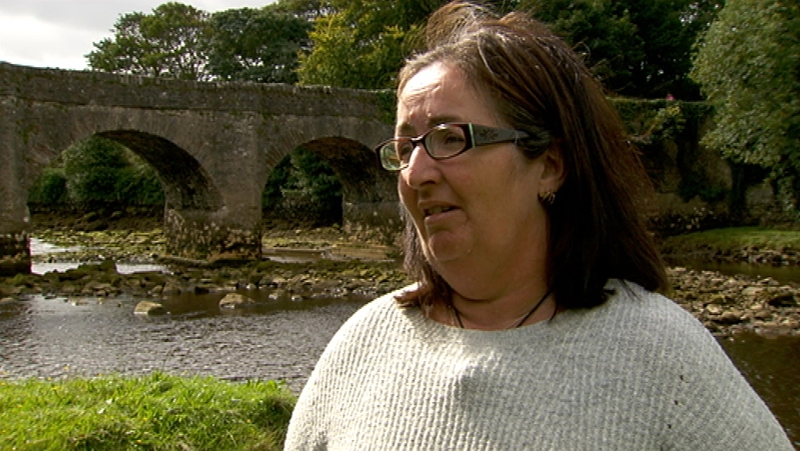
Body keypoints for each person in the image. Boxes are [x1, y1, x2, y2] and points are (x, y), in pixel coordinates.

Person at [284, 2, 793, 449]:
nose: (415, 172)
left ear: (549, 165)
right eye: (404, 147)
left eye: (448, 138)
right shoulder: (363, 345)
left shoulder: (660, 355)